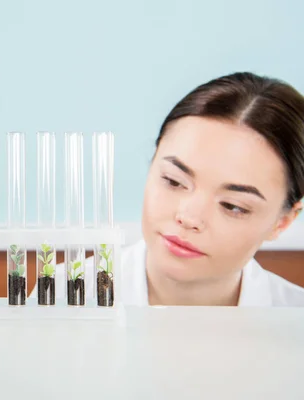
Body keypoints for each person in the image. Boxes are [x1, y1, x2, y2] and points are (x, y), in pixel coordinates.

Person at [42, 72, 304, 306]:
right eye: (174, 181)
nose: (189, 217)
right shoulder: (59, 295)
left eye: (233, 206)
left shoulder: (294, 323)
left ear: (282, 222)